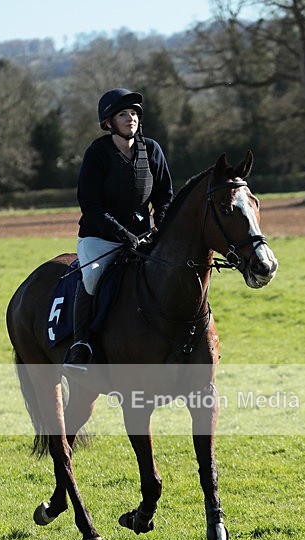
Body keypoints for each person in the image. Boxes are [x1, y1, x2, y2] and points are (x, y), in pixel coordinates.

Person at [64, 87, 174, 369]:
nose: (131, 118)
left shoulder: (151, 150)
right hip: (100, 238)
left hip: (145, 238)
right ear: (108, 122)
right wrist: (123, 235)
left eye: (134, 113)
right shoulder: (97, 153)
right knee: (92, 279)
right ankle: (81, 343)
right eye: (123, 114)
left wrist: (159, 227)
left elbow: (164, 195)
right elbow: (90, 204)